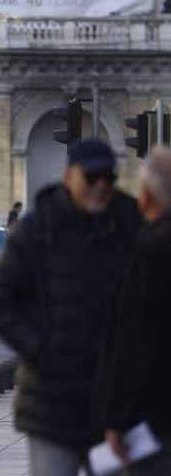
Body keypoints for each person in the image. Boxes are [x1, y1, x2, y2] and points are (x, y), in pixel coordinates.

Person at [0, 139, 142, 476]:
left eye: (108, 179)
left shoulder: (129, 224)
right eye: (92, 177)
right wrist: (39, 348)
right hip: (51, 405)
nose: (100, 186)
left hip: (113, 407)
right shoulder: (37, 229)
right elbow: (0, 300)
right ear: (69, 176)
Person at [95, 149, 171, 474]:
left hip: (157, 417)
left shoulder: (150, 250)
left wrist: (116, 419)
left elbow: (134, 342)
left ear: (146, 197)